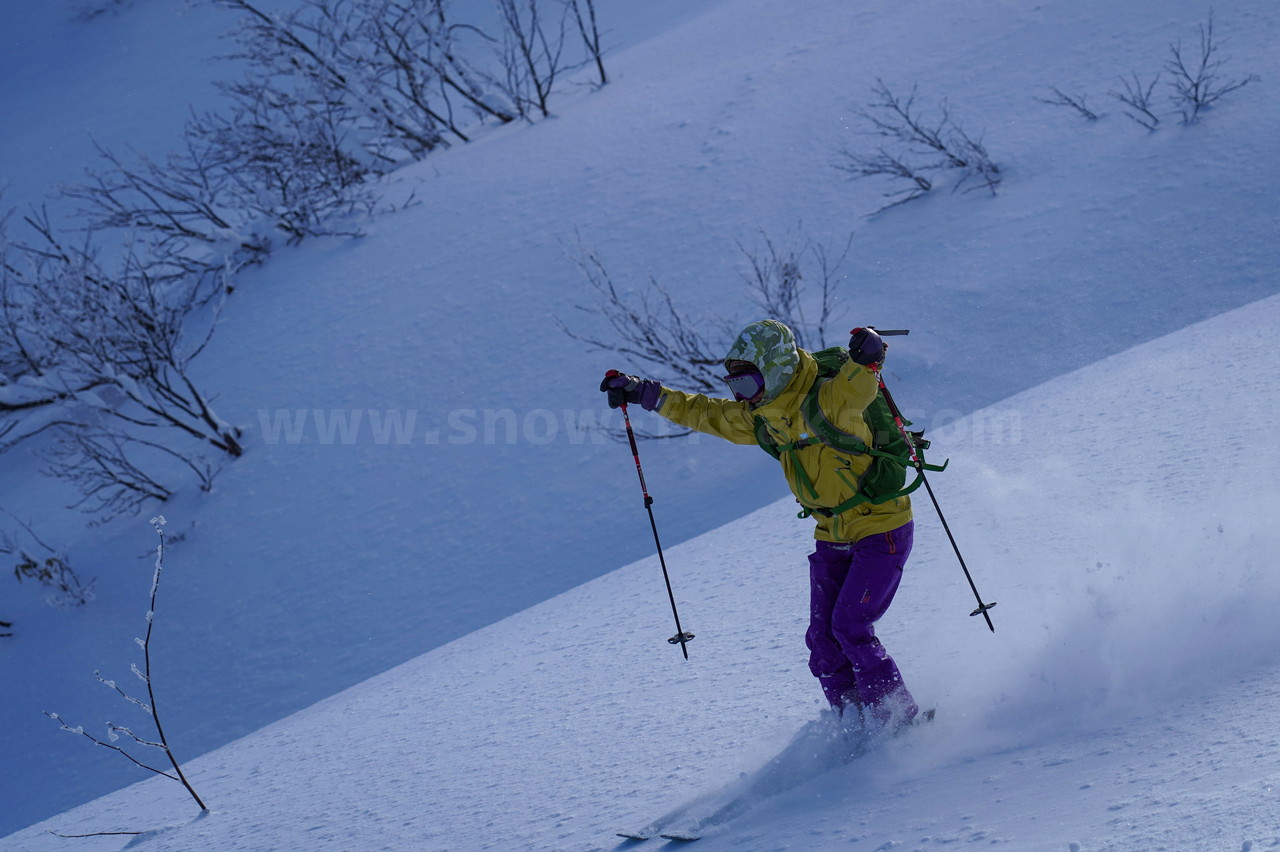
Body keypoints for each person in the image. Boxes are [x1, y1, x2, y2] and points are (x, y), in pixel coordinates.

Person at [600, 319, 918, 735]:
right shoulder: (766, 419)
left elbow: (857, 387)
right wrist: (646, 393)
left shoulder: (826, 402)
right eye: (737, 389)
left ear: (778, 369)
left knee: (850, 627)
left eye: (749, 386)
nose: (743, 398)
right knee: (822, 644)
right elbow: (708, 413)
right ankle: (854, 729)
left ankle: (899, 724)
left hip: (882, 527)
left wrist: (868, 356)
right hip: (832, 534)